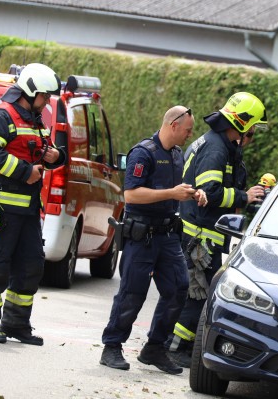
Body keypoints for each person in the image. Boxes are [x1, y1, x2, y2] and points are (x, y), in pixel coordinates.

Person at [99, 106, 207, 375]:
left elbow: (177, 189)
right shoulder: (143, 153)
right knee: (132, 293)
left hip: (168, 236)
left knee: (179, 289)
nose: (190, 134)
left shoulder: (178, 155)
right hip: (142, 236)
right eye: (188, 129)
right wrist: (171, 192)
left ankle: (155, 348)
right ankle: (112, 346)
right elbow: (131, 195)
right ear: (173, 125)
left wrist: (195, 193)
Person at [165, 92, 268, 367]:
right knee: (198, 293)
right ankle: (174, 348)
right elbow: (209, 192)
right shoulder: (216, 148)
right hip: (201, 236)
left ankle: (178, 346)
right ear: (243, 122)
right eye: (254, 124)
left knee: (197, 291)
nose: (254, 131)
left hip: (201, 232)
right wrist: (244, 196)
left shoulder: (217, 143)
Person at [0, 63, 65, 345]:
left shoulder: (34, 120)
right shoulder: (2, 116)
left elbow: (44, 151)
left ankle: (15, 324)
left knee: (30, 265)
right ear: (30, 90)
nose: (47, 101)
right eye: (44, 96)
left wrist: (55, 157)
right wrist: (26, 172)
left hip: (25, 210)